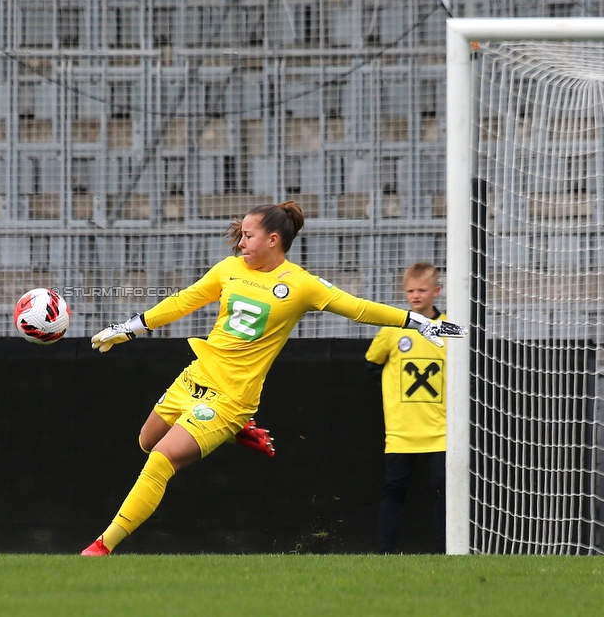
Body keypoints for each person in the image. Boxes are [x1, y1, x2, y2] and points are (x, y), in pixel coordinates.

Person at [80, 202, 466, 556]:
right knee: (147, 442)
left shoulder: (299, 285)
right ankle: (238, 433)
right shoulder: (228, 270)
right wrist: (130, 327)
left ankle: (101, 546)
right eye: (242, 235)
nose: (241, 242)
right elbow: (185, 300)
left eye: (248, 236)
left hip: (229, 399)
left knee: (161, 461)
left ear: (273, 240)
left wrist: (417, 321)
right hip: (194, 378)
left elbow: (359, 308)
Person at [364, 262, 448, 554]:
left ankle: (444, 552)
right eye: (410, 290)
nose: (415, 295)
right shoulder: (393, 328)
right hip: (401, 431)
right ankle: (385, 552)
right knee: (394, 490)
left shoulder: (449, 330)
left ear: (436, 291)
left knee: (443, 492)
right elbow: (372, 364)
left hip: (440, 432)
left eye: (422, 290)